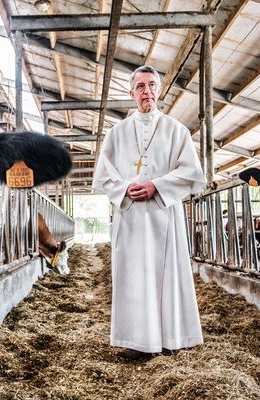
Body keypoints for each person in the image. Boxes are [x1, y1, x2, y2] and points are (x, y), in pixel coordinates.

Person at [91, 65, 207, 359]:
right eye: (140, 86)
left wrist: (157, 185)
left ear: (159, 90)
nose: (147, 92)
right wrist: (124, 188)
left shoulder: (175, 130)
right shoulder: (116, 134)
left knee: (167, 276)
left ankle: (170, 338)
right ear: (131, 94)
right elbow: (104, 175)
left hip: (164, 216)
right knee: (134, 278)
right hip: (131, 218)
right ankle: (137, 341)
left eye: (152, 85)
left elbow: (192, 172)